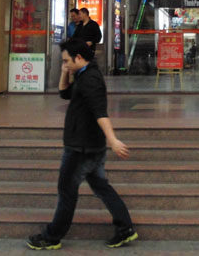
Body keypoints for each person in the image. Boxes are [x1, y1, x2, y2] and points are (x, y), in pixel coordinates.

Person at [27, 39, 137, 250]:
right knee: (101, 187)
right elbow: (64, 93)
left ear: (79, 57)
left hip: (81, 148)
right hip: (89, 145)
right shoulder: (83, 74)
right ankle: (125, 228)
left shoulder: (90, 79)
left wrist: (113, 139)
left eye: (66, 61)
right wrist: (64, 72)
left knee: (67, 191)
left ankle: (52, 236)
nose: (65, 64)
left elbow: (100, 112)